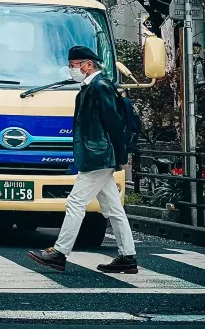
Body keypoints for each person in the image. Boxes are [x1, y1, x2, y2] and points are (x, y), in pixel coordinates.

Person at [27, 46, 137, 274]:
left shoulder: (100, 87)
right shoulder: (91, 87)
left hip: (99, 156)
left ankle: (59, 253)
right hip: (98, 155)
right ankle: (128, 256)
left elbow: (114, 123)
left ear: (88, 65)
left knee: (75, 203)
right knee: (113, 208)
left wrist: (120, 156)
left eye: (74, 65)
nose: (71, 70)